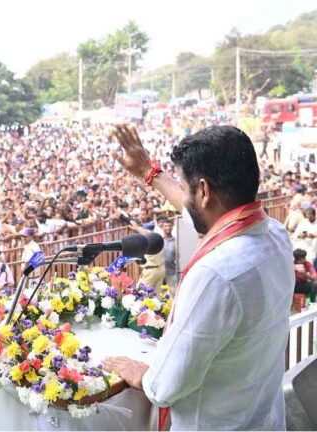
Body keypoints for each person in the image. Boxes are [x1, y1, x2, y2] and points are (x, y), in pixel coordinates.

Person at [103, 124, 293, 430]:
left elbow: (165, 386)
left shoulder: (216, 274)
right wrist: (149, 171)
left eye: (187, 187)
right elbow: (204, 214)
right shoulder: (276, 236)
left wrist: (142, 374)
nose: (185, 196)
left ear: (203, 191)